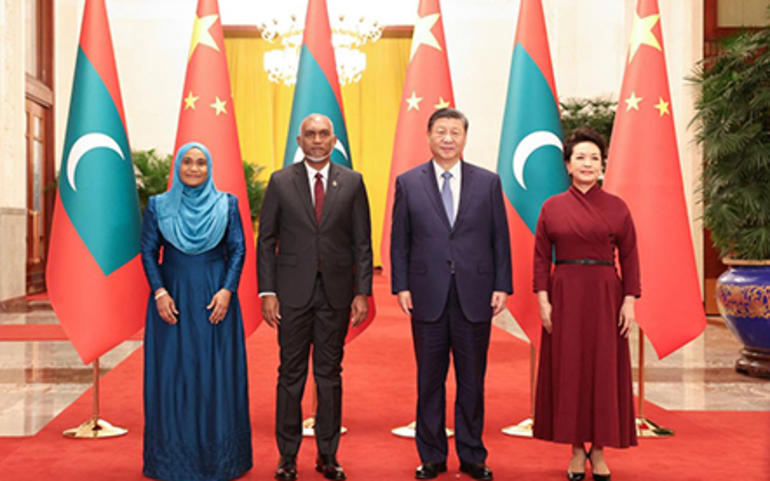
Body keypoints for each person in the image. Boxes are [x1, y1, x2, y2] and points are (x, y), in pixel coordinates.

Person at [390, 108, 512, 481]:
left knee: (472, 380)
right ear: (428, 136)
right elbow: (400, 240)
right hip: (427, 293)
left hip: (475, 294)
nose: (447, 138)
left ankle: (473, 455)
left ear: (464, 138)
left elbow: (500, 238)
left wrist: (501, 284)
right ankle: (431, 456)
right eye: (440, 131)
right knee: (429, 380)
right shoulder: (408, 182)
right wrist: (402, 285)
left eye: (455, 132)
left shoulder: (487, 182)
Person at [258, 113, 373, 481]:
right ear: (300, 140)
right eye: (311, 134)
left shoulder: (352, 182)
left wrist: (362, 292)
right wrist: (268, 291)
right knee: (290, 375)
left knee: (329, 375)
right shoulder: (281, 181)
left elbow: (362, 243)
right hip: (291, 294)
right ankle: (287, 456)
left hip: (336, 295)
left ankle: (328, 455)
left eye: (324, 134)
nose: (318, 140)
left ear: (334, 140)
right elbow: (267, 240)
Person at [532, 127, 640, 481]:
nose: (588, 163)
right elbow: (540, 258)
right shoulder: (552, 207)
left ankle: (600, 450)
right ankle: (577, 449)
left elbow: (630, 256)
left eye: (594, 158)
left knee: (604, 370)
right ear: (568, 164)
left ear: (602, 165)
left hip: (606, 294)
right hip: (564, 293)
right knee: (570, 369)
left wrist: (629, 301)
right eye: (580, 157)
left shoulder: (617, 207)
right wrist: (543, 299)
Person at [141, 142, 252, 481]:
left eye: (201, 163)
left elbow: (238, 249)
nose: (193, 168)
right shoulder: (159, 205)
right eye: (187, 162)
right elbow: (148, 251)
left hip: (214, 298)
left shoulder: (227, 204)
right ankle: (172, 461)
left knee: (215, 372)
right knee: (174, 374)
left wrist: (227, 290)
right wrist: (160, 292)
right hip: (172, 299)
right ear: (178, 167)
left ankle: (221, 460)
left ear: (209, 168)